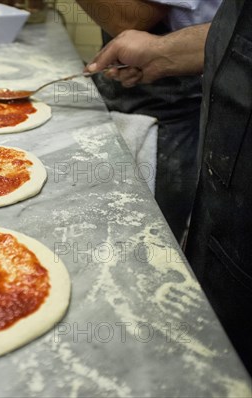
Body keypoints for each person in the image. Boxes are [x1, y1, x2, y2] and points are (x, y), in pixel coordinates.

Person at [85, 0, 252, 375]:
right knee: (206, 298)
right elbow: (237, 33)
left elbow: (132, 15)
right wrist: (162, 53)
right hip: (227, 116)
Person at [75, 0, 221, 243]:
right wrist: (162, 51)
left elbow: (131, 18)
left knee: (144, 240)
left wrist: (163, 50)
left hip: (169, 108)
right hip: (158, 72)